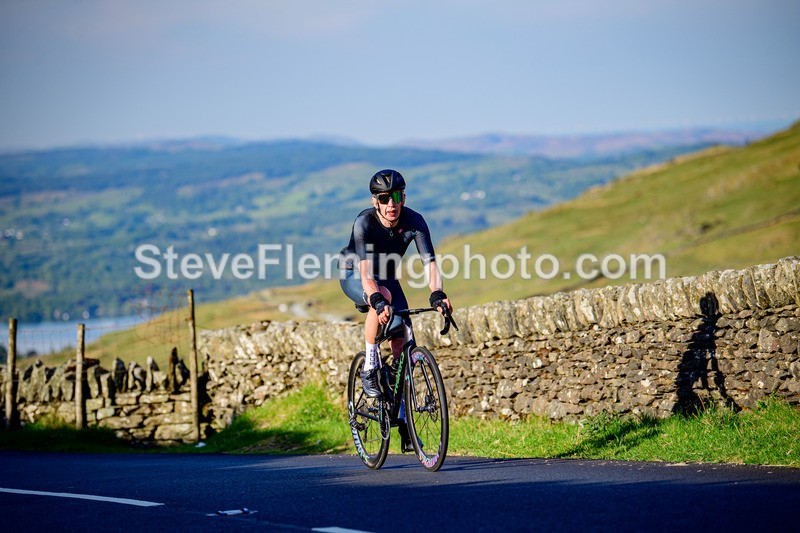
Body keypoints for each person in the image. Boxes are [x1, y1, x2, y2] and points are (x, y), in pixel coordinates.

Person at [339, 169, 453, 448]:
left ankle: (403, 423)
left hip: (387, 276)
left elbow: (431, 265)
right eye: (384, 197)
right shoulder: (364, 222)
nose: (392, 204)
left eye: (397, 196)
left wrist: (437, 293)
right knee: (383, 295)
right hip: (356, 272)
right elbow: (367, 277)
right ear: (375, 200)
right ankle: (369, 367)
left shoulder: (415, 221)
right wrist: (377, 301)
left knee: (402, 338)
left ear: (404, 197)